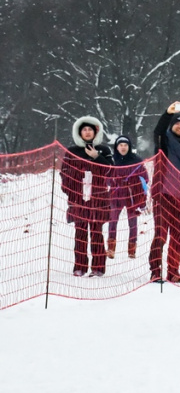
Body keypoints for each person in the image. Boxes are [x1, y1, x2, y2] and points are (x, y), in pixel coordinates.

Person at [60, 116, 113, 276]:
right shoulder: (72, 151)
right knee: (80, 233)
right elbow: (65, 174)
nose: (87, 132)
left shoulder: (104, 150)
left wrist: (97, 157)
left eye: (90, 129)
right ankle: (80, 267)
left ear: (95, 132)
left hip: (99, 199)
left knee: (96, 233)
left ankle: (98, 268)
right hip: (79, 199)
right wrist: (72, 192)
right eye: (84, 129)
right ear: (79, 132)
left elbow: (110, 171)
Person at [149, 102, 180, 284]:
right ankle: (155, 271)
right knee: (161, 234)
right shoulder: (165, 143)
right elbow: (158, 132)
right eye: (177, 123)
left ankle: (173, 271)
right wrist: (168, 113)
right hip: (163, 194)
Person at [106, 134, 146, 259]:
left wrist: (133, 183)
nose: (123, 148)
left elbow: (145, 178)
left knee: (132, 222)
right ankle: (111, 248)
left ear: (129, 147)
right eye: (120, 145)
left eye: (125, 145)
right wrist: (113, 181)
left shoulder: (136, 160)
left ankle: (132, 249)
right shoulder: (111, 160)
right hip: (115, 195)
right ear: (116, 147)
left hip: (131, 195)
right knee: (113, 220)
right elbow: (106, 176)